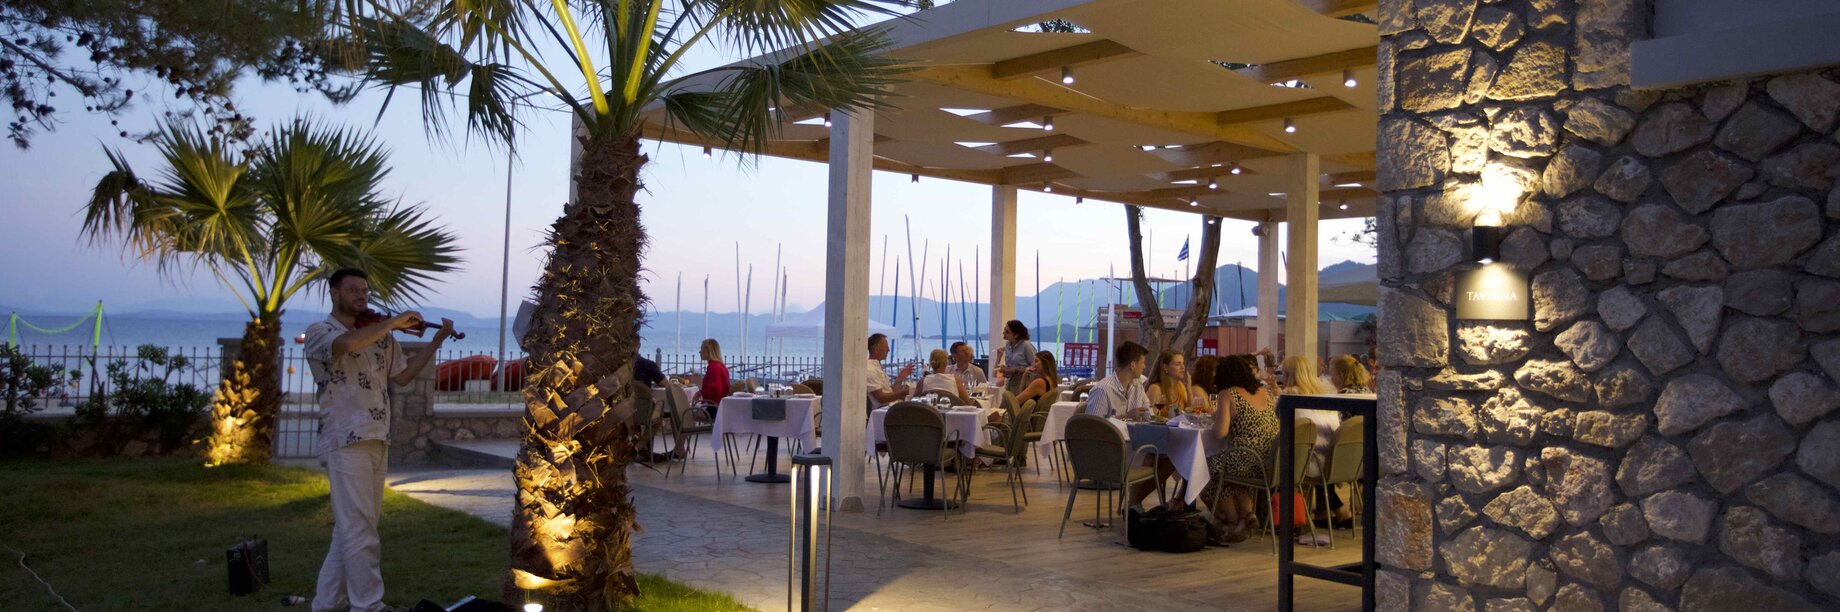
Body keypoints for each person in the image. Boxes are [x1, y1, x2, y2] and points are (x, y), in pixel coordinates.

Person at [303, 268, 454, 612]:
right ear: (334, 294)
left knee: (354, 527)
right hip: (344, 438)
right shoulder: (320, 331)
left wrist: (435, 342)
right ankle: (368, 605)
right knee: (359, 530)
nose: (362, 296)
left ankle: (325, 604)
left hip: (377, 438)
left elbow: (402, 377)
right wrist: (390, 323)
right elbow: (344, 346)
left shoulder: (381, 337)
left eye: (365, 291)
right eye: (353, 290)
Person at [1199, 354, 1279, 544]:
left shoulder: (1228, 393)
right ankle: (1248, 514)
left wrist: (1215, 418)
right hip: (1270, 460)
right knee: (1229, 469)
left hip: (1247, 457)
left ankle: (1235, 522)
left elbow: (1220, 433)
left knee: (1207, 468)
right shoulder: (1264, 392)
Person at [1282, 355, 1351, 527]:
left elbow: (1278, 425)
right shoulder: (1324, 394)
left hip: (1308, 463)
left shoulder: (1290, 397)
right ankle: (1329, 512)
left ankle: (1286, 518)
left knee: (1274, 458)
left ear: (1289, 375)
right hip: (1333, 461)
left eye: (1283, 373)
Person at [1084, 341, 1150, 420]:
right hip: (1110, 433)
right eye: (1143, 363)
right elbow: (1093, 425)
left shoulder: (1138, 385)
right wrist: (1125, 416)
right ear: (1133, 365)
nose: (1144, 366)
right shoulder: (1102, 390)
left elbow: (1148, 413)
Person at [1146, 351, 1207, 417]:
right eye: (1177, 364)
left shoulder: (1181, 386)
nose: (1183, 367)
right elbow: (1150, 416)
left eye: (1183, 363)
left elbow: (1190, 410)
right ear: (1165, 367)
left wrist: (1188, 388)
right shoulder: (1156, 388)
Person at [867, 333, 917, 409]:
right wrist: (905, 392)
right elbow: (881, 398)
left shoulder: (877, 367)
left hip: (890, 407)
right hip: (884, 410)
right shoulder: (870, 369)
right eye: (886, 346)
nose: (888, 350)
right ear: (876, 349)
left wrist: (900, 379)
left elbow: (890, 392)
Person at [993, 320, 1036, 394]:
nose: (1003, 333)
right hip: (1010, 383)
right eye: (1004, 330)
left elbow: (1035, 367)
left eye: (1007, 332)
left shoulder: (1026, 346)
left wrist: (1014, 370)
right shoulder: (1008, 345)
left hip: (1024, 385)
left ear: (1016, 335)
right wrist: (1005, 368)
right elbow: (1009, 367)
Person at [696, 339, 729, 418]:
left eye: (701, 349)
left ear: (708, 350)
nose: (699, 352)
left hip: (712, 409)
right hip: (720, 407)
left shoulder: (713, 367)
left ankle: (682, 430)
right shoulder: (720, 366)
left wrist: (700, 393)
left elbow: (715, 390)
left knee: (682, 413)